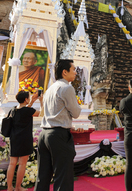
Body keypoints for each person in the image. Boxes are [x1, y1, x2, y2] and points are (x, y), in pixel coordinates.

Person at [35, 59, 82, 191]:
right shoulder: (67, 88)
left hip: (44, 133)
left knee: (43, 176)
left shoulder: (50, 88)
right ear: (64, 72)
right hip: (58, 135)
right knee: (63, 177)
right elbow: (76, 112)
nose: (75, 73)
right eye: (73, 69)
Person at [7, 91, 41, 191]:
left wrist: (31, 102)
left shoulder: (13, 109)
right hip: (24, 138)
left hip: (14, 138)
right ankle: (18, 187)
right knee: (22, 163)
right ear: (26, 99)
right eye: (29, 97)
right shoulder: (27, 111)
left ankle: (9, 187)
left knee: (12, 163)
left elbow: (24, 111)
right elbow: (41, 114)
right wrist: (42, 101)